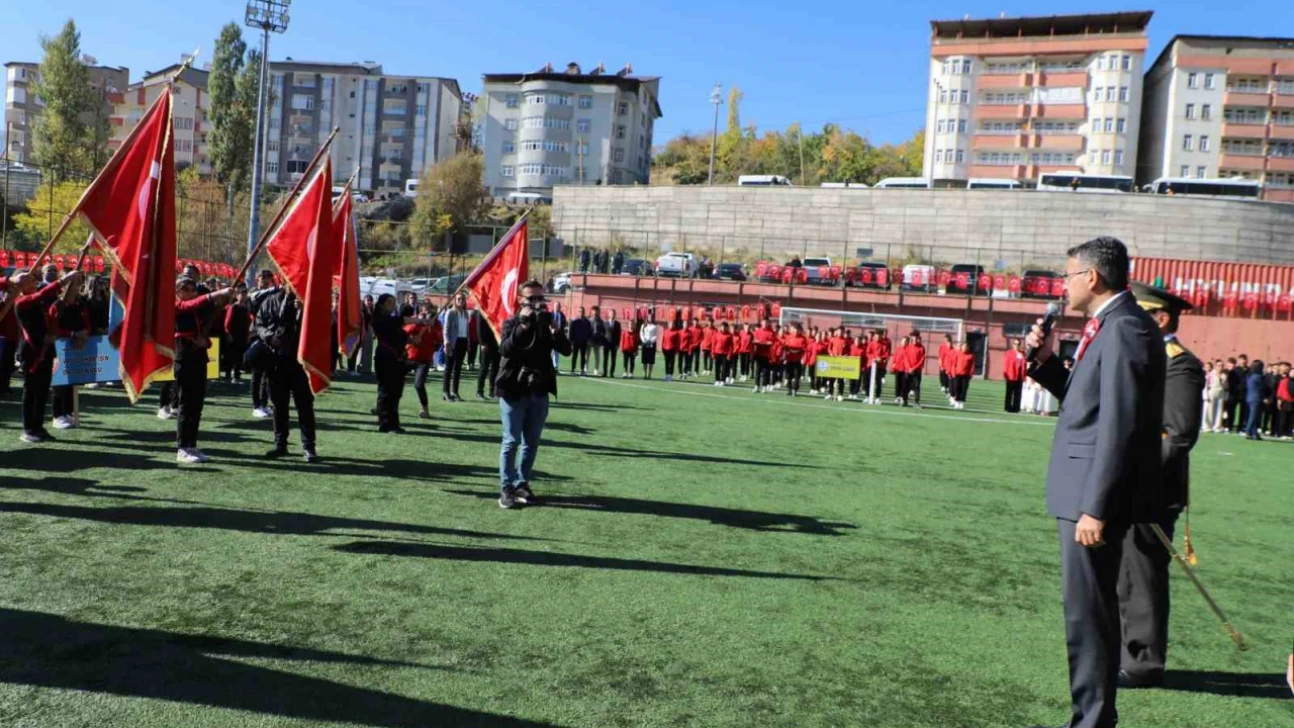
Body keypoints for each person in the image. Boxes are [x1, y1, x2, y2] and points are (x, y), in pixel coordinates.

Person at [1024, 236, 1165, 728]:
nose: (1062, 286)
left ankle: (1092, 721)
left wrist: (1095, 506)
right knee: (1084, 614)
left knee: (1090, 617)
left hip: (1091, 496)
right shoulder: (1107, 325)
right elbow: (1087, 403)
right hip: (1082, 490)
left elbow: (1120, 425)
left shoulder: (1125, 328)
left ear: (1092, 277)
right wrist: (1044, 363)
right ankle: (1089, 717)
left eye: (1067, 276)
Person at [1114, 282, 1205, 690]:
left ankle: (1143, 664)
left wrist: (1135, 474)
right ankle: (1122, 651)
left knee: (1142, 575)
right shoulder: (1144, 356)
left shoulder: (1178, 364)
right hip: (1122, 483)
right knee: (1121, 574)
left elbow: (1178, 434)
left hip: (1151, 490)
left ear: (1161, 318)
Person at [496, 280, 572, 509]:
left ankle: (522, 483)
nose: (538, 303)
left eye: (541, 298)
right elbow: (506, 349)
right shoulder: (512, 322)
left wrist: (556, 332)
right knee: (511, 441)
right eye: (532, 299)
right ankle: (506, 487)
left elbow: (566, 350)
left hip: (538, 389)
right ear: (521, 300)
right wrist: (523, 326)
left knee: (532, 442)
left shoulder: (547, 323)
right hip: (513, 389)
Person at [13, 267, 82, 442]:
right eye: (29, 281)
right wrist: (65, 279)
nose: (34, 282)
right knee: (31, 391)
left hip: (46, 349)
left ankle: (39, 427)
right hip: (31, 352)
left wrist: (70, 286)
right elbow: (42, 295)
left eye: (33, 280)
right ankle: (28, 429)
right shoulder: (21, 302)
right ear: (20, 285)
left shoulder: (39, 301)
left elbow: (53, 307)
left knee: (43, 391)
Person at [255, 287, 319, 462]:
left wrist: (304, 310)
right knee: (278, 405)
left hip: (301, 362)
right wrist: (269, 337)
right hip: (276, 360)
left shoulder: (308, 301)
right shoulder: (271, 300)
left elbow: (321, 324)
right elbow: (259, 324)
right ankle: (280, 444)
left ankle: (309, 447)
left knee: (304, 405)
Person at [173, 278, 233, 463]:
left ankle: (192, 445)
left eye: (192, 289)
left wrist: (223, 299)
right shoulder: (175, 304)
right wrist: (215, 294)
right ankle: (182, 448)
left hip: (199, 358)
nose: (190, 292)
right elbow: (188, 306)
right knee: (186, 404)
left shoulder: (197, 309)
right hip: (184, 358)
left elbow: (211, 322)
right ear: (177, 291)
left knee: (197, 405)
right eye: (185, 289)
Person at [49, 280, 91, 430]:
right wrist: (72, 334)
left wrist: (85, 333)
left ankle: (68, 411)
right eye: (72, 285)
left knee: (71, 380)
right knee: (60, 382)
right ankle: (57, 415)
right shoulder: (57, 305)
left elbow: (86, 322)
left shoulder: (79, 304)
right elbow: (52, 328)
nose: (75, 288)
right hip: (59, 347)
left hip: (76, 346)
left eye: (76, 285)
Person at [248, 270, 280, 419]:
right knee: (257, 373)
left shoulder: (272, 294)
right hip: (256, 335)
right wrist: (275, 289)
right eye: (263, 277)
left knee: (268, 373)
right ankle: (256, 405)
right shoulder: (255, 292)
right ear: (257, 279)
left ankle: (264, 403)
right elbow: (255, 298)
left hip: (269, 336)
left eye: (269, 277)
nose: (266, 280)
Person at [406, 302, 441, 419]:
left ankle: (424, 408)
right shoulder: (415, 320)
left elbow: (439, 337)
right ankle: (382, 405)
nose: (426, 313)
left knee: (419, 384)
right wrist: (419, 322)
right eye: (424, 311)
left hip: (424, 359)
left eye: (428, 311)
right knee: (393, 380)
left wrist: (431, 326)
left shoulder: (436, 323)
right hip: (409, 356)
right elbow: (405, 331)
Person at [441, 293, 469, 402]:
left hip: (463, 341)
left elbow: (466, 330)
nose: (460, 301)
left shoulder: (465, 313)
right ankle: (446, 392)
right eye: (458, 299)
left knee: (458, 368)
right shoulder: (450, 312)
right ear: (455, 300)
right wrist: (446, 342)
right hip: (453, 342)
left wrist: (468, 342)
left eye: (462, 299)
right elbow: (446, 329)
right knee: (448, 368)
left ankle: (455, 392)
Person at [222, 288, 252, 383]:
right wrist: (228, 334)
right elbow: (227, 322)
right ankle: (227, 375)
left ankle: (236, 375)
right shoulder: (233, 307)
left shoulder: (246, 308)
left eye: (245, 294)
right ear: (237, 295)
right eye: (241, 294)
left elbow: (248, 322)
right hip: (233, 335)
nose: (243, 296)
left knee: (239, 356)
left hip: (242, 336)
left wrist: (248, 335)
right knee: (230, 356)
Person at [475, 307, 500, 400]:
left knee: (495, 367)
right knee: (484, 368)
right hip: (486, 344)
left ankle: (492, 391)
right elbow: (479, 328)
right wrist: (482, 343)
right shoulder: (481, 311)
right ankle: (479, 391)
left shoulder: (495, 311)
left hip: (495, 342)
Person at [781, 323, 809, 396]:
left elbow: (805, 349)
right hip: (789, 359)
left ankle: (795, 389)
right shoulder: (788, 337)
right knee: (788, 375)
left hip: (798, 360)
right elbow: (784, 348)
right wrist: (784, 357)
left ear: (800, 330)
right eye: (794, 329)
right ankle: (789, 389)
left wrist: (803, 359)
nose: (795, 331)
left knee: (797, 376)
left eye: (797, 330)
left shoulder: (803, 338)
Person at [1244, 360, 1267, 440]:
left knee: (1253, 415)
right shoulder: (1259, 376)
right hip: (1256, 398)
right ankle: (1248, 431)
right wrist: (1265, 397)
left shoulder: (1249, 376)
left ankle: (1255, 433)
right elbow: (1262, 388)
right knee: (1254, 416)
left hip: (1249, 397)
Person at [751, 319, 776, 394]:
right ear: (761, 323)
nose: (765, 324)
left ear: (768, 323)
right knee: (757, 371)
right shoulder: (758, 331)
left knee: (765, 371)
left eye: (766, 323)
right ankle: (756, 386)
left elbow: (772, 342)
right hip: (758, 353)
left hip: (766, 355)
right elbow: (754, 341)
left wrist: (768, 343)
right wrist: (756, 342)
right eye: (763, 322)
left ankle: (764, 387)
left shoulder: (771, 332)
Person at [1225, 354, 1249, 433]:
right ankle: (1229, 426)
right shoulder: (1234, 371)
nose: (1243, 361)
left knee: (1243, 412)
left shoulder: (1249, 370)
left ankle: (1241, 427)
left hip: (1244, 394)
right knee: (1231, 410)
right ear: (1239, 361)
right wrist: (1233, 390)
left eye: (1244, 359)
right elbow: (1230, 381)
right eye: (1241, 359)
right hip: (1234, 393)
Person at [1003, 338, 1027, 413]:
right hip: (1011, 375)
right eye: (1015, 344)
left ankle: (1016, 407)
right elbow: (1006, 364)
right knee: (1009, 392)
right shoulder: (1009, 353)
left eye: (1018, 344)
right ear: (1013, 345)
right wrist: (1005, 374)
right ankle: (1008, 407)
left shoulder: (1023, 353)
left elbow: (1025, 364)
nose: (1016, 345)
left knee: (1018, 393)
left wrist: (1024, 375)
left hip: (1019, 375)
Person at [949, 341, 975, 410]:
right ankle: (956, 401)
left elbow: (972, 366)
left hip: (966, 376)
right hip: (957, 374)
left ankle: (961, 402)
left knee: (964, 389)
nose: (965, 348)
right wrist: (953, 373)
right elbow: (954, 364)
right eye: (964, 346)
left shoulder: (970, 356)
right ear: (961, 347)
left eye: (966, 347)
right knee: (957, 388)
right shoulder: (957, 354)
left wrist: (971, 374)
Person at [1202, 360, 1226, 433]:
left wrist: (1220, 376)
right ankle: (1207, 426)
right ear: (1215, 366)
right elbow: (1206, 385)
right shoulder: (1210, 374)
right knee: (1210, 410)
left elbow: (1224, 384)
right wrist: (1206, 396)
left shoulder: (1224, 375)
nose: (1220, 367)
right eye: (1219, 365)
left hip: (1220, 393)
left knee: (1219, 410)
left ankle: (1217, 426)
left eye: (1222, 365)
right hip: (1212, 392)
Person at [568, 306, 592, 375]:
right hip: (576, 342)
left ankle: (582, 370)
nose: (581, 312)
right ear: (577, 312)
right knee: (574, 356)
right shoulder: (574, 321)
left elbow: (589, 332)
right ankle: (573, 369)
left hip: (584, 342)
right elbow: (571, 332)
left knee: (583, 357)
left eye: (582, 311)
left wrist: (589, 340)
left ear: (584, 312)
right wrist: (571, 340)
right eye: (579, 311)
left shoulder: (587, 322)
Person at [710, 321, 733, 386]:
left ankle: (723, 380)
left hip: (725, 354)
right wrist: (713, 353)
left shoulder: (729, 335)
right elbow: (713, 344)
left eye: (725, 327)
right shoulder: (716, 334)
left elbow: (731, 346)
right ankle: (717, 380)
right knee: (717, 368)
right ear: (720, 327)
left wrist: (729, 354)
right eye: (722, 327)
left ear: (727, 328)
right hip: (717, 353)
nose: (723, 328)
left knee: (724, 368)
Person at [660, 318, 681, 383]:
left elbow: (678, 342)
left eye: (672, 324)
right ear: (668, 325)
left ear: (674, 325)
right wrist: (662, 348)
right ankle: (666, 375)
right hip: (665, 349)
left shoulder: (676, 332)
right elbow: (663, 340)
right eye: (670, 324)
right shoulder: (665, 331)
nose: (671, 325)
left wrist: (676, 350)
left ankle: (670, 375)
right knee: (666, 363)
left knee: (671, 363)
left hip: (672, 349)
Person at [603, 309, 621, 378]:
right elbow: (603, 334)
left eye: (613, 314)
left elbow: (619, 335)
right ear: (609, 315)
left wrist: (617, 345)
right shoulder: (605, 323)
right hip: (606, 344)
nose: (612, 315)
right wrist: (603, 343)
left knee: (613, 359)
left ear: (615, 315)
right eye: (611, 313)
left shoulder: (617, 324)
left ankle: (611, 373)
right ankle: (605, 372)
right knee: (605, 359)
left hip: (614, 344)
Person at [549, 302, 567, 372]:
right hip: (550, 336)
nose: (557, 307)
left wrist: (559, 329)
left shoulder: (562, 315)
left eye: (559, 306)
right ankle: (548, 366)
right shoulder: (550, 314)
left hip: (558, 336)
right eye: (556, 306)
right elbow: (547, 323)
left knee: (557, 352)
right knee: (549, 352)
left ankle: (555, 367)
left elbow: (564, 324)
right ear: (554, 306)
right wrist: (551, 329)